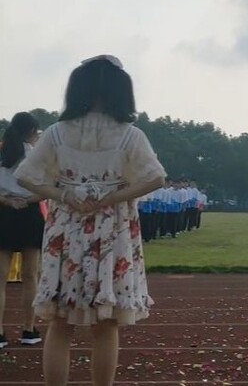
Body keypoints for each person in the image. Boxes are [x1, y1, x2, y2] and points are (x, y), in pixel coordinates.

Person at [15, 54, 166, 385]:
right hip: (113, 227)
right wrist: (112, 197)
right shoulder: (130, 135)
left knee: (60, 321)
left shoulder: (56, 134)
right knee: (106, 323)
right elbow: (156, 178)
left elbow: (26, 177)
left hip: (66, 227)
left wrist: (65, 194)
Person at [0, 112, 44, 349]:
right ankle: (29, 329)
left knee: (0, 277)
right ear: (31, 132)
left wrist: (7, 201)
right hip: (29, 212)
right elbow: (47, 189)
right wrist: (26, 201)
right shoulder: (36, 155)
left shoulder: (2, 151)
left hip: (4, 212)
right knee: (30, 276)